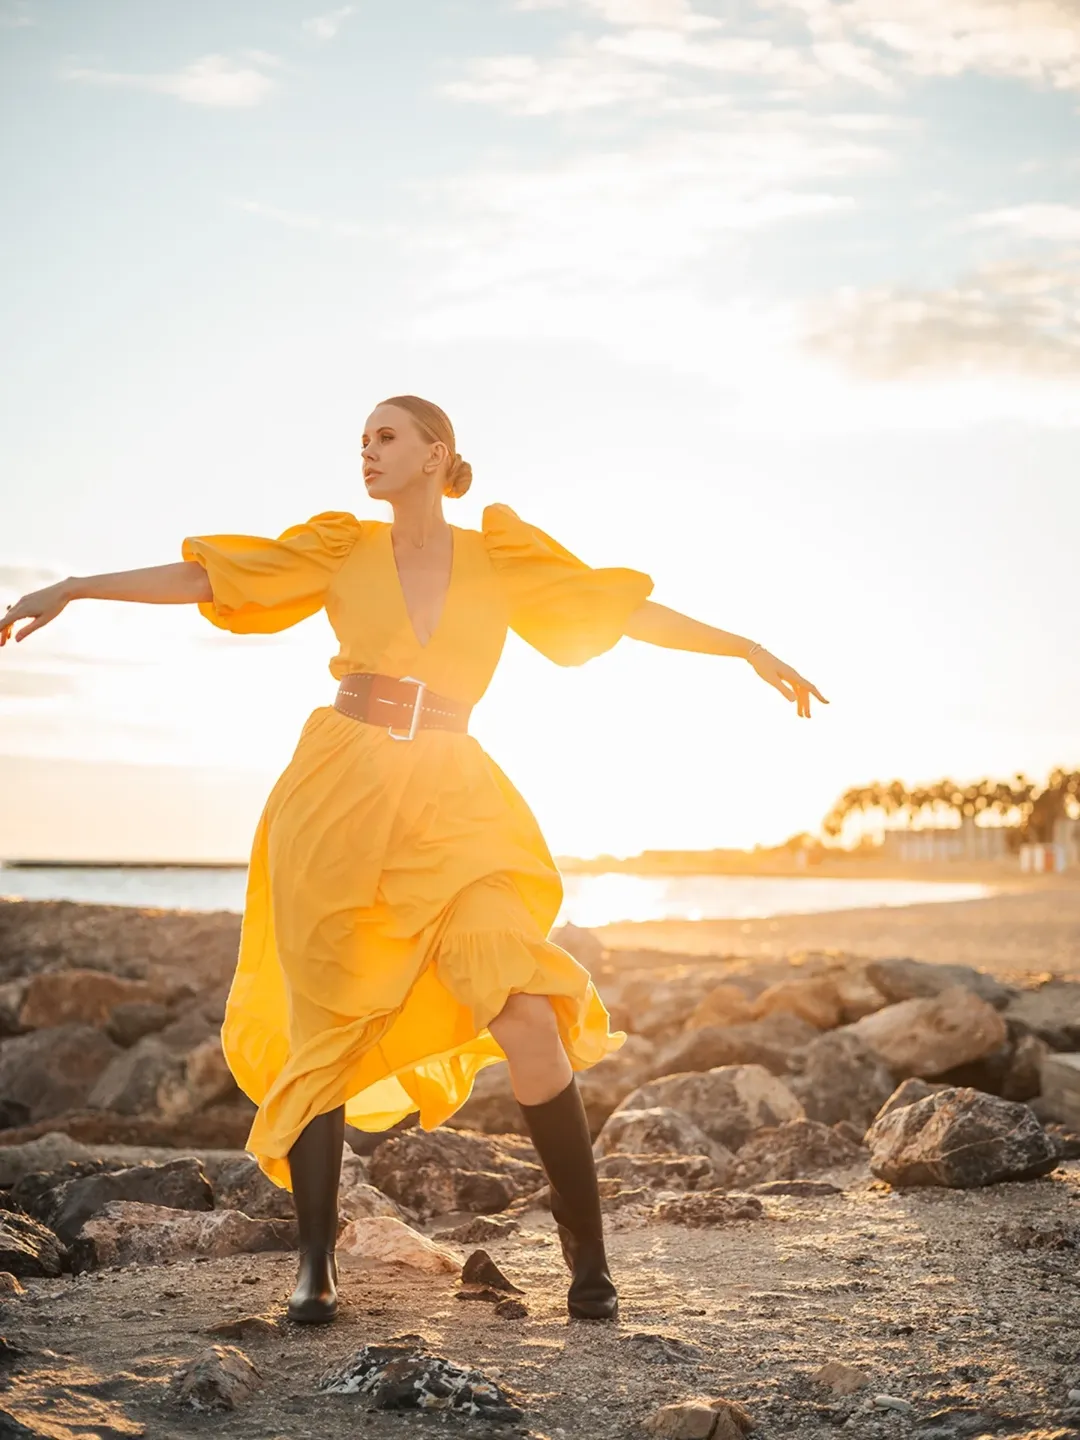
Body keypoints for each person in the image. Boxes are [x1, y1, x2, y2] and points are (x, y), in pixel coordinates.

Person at [1, 394, 827, 1325]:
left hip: (454, 801)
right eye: (361, 440)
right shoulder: (339, 546)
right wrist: (75, 587)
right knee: (325, 1018)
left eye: (386, 437)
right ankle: (316, 1263)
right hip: (337, 792)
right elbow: (209, 576)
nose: (367, 452)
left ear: (438, 453)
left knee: (523, 1005)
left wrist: (744, 648)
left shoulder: (499, 554)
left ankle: (587, 1256)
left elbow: (619, 608)